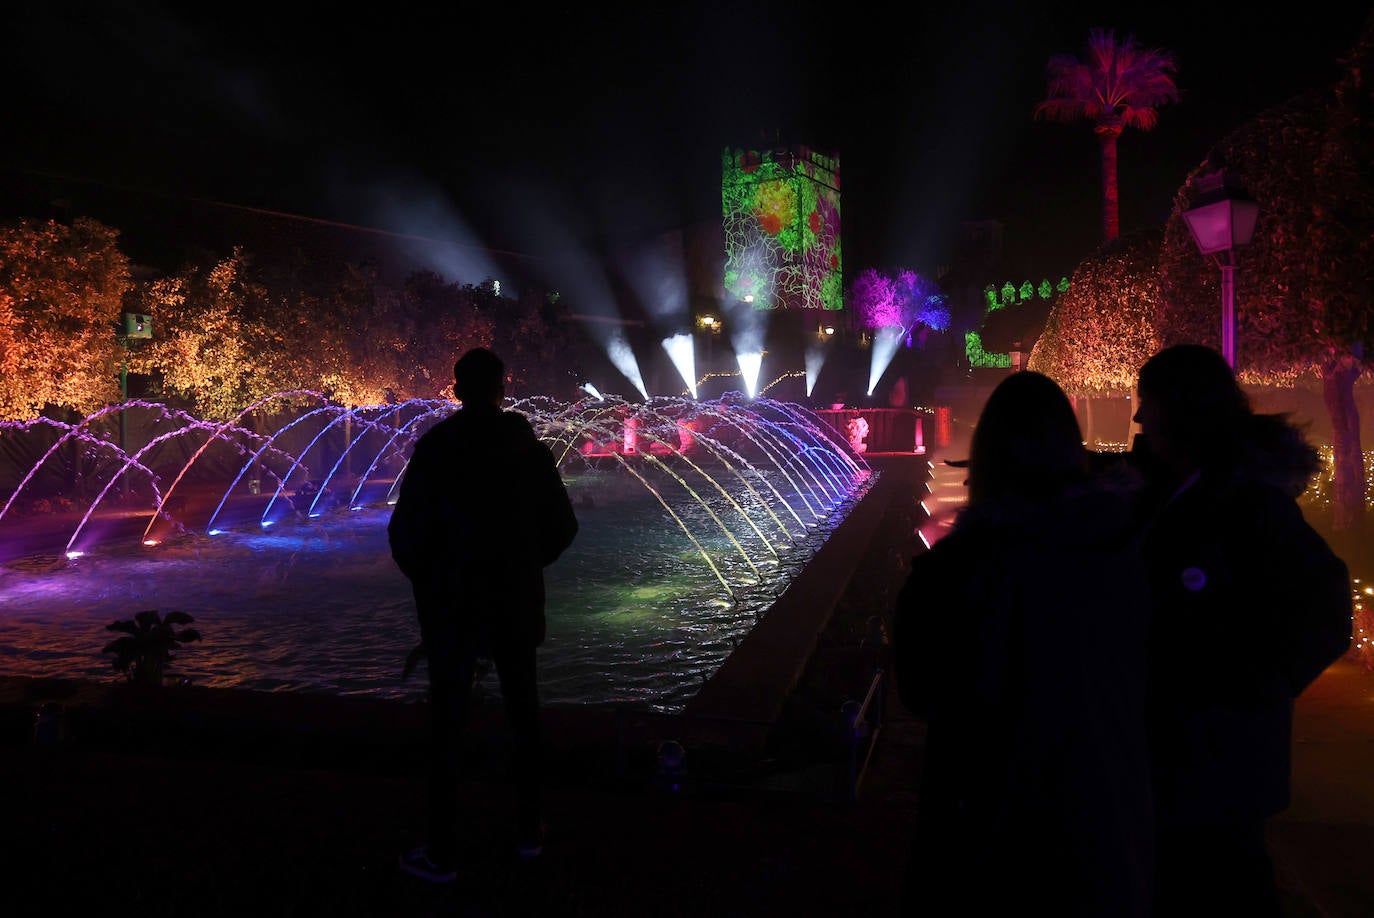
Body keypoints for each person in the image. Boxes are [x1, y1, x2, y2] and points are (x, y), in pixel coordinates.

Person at [892, 370, 1155, 916]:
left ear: (985, 460)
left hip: (982, 827)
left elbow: (919, 691)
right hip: (1100, 823)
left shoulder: (953, 574)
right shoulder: (1128, 554)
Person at [1130, 344, 1352, 916]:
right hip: (1204, 751)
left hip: (1215, 755)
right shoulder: (1201, 490)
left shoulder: (1242, 503)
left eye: (1147, 402)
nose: (1138, 418)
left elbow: (1326, 610)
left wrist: (1248, 685)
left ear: (1180, 410)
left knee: (1222, 884)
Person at [387, 347, 579, 884]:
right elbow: (563, 527)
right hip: (513, 604)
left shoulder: (436, 449)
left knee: (447, 723)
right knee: (524, 714)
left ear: (456, 390)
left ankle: (443, 852)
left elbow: (404, 533)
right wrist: (524, 565)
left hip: (452, 607)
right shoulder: (529, 451)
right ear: (502, 390)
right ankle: (528, 832)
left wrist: (433, 586)